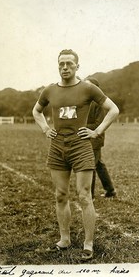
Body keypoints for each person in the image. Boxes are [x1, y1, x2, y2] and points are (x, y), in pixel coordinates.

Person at [32, 49, 119, 261]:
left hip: (81, 147)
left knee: (84, 195)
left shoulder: (88, 88)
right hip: (57, 148)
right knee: (60, 195)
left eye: (69, 64)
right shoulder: (49, 90)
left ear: (77, 66)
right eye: (61, 64)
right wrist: (45, 128)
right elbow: (36, 111)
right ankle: (65, 239)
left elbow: (113, 109)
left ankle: (88, 244)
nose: (65, 67)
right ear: (58, 65)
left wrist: (97, 131)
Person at [85, 79, 116, 199]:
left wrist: (82, 127)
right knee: (98, 164)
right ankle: (110, 190)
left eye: (88, 85)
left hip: (96, 138)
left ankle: (89, 195)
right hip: (89, 138)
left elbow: (100, 124)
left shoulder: (99, 103)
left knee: (91, 165)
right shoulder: (86, 102)